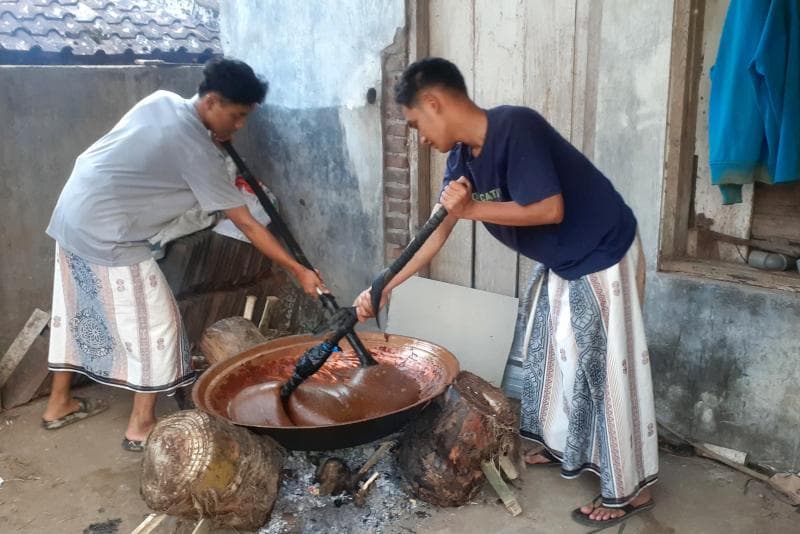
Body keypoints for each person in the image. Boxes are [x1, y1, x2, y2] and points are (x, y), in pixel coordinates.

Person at [354, 57, 657, 527]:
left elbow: (550, 208)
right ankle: (567, 449)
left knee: (606, 373)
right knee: (558, 359)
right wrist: (382, 286)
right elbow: (435, 232)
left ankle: (631, 491)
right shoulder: (461, 160)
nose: (418, 136)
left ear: (434, 103)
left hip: (602, 250)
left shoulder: (515, 127)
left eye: (415, 123)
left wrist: (473, 208)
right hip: (564, 259)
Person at [42, 57, 325, 452]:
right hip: (109, 234)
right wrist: (298, 268)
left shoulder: (162, 101)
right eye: (237, 115)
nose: (240, 126)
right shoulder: (196, 150)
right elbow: (248, 224)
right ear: (210, 101)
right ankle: (141, 426)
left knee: (79, 310)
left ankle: (59, 403)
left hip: (73, 214)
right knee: (158, 327)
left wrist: (213, 137)